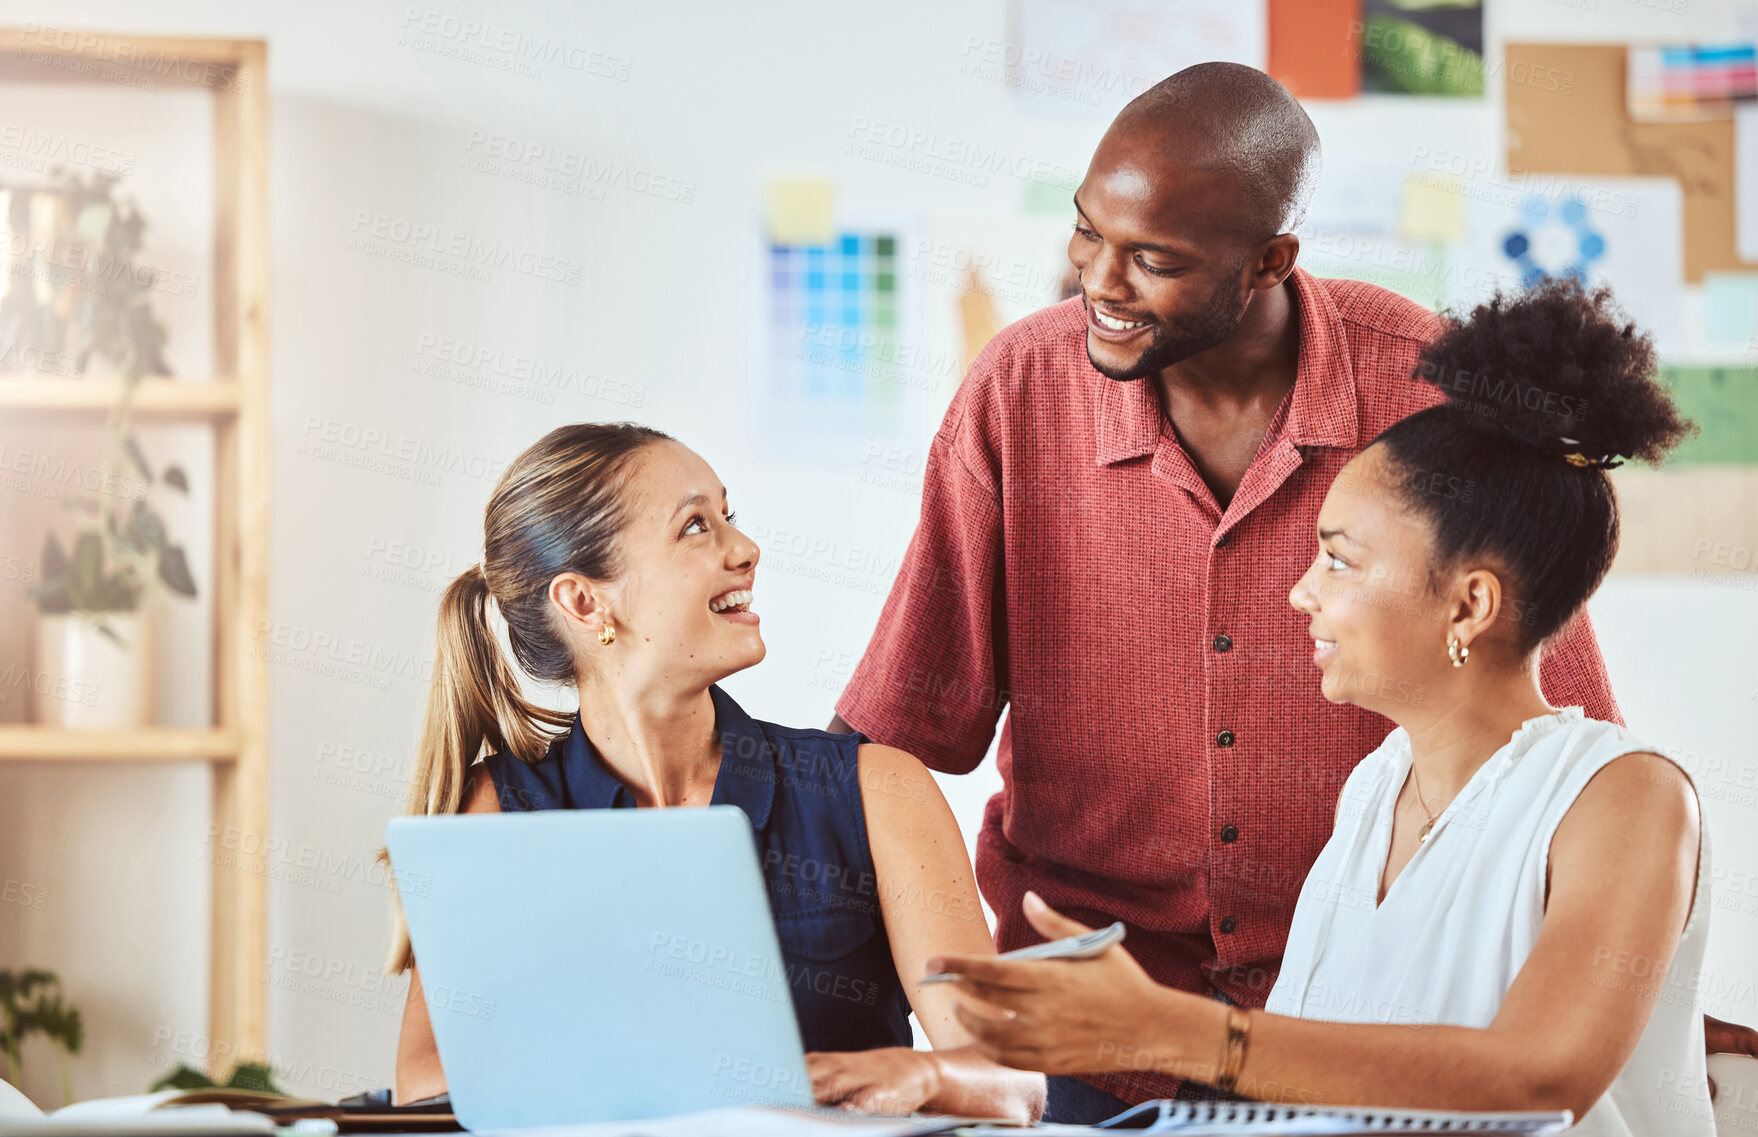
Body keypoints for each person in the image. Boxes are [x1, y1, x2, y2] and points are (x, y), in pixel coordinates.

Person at [826, 61, 1637, 1119]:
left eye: (1150, 259)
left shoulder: (1424, 390)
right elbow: (891, 737)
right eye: (1087, 236)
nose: (1098, 285)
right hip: (1083, 1027)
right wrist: (922, 1013)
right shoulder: (1018, 391)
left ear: (1270, 260)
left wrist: (1626, 987)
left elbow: (1550, 747)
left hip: (1367, 1036)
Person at [922, 281, 1715, 1135]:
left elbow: (1538, 1077)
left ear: (1470, 606)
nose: (1302, 593)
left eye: (1339, 561)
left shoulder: (1627, 798)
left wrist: (1169, 1028)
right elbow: (1308, 1099)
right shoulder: (1378, 789)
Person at [386, 423, 1044, 1122]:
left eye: (727, 517)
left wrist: (921, 1073)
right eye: (696, 526)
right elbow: (425, 1084)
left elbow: (1015, 1082)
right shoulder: (500, 812)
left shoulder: (878, 789)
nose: (744, 549)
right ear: (585, 602)